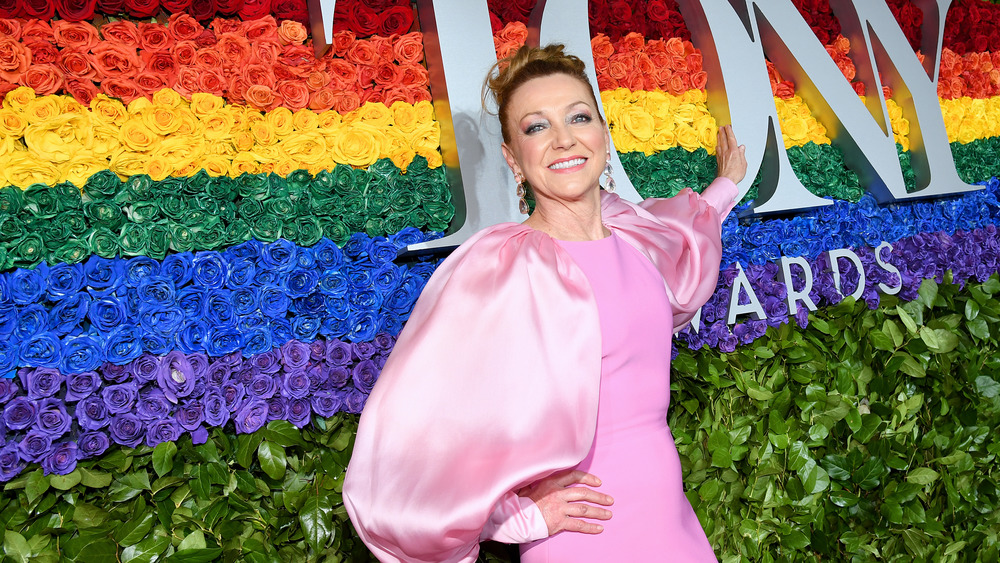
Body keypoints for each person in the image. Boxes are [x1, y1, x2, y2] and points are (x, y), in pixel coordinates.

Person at [343, 44, 748, 562]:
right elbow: (417, 441)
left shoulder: (635, 238)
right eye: (536, 127)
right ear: (513, 158)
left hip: (673, 527)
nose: (563, 139)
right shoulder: (504, 267)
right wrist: (517, 517)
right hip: (583, 540)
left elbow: (687, 240)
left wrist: (725, 185)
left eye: (578, 117)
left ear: (603, 133)